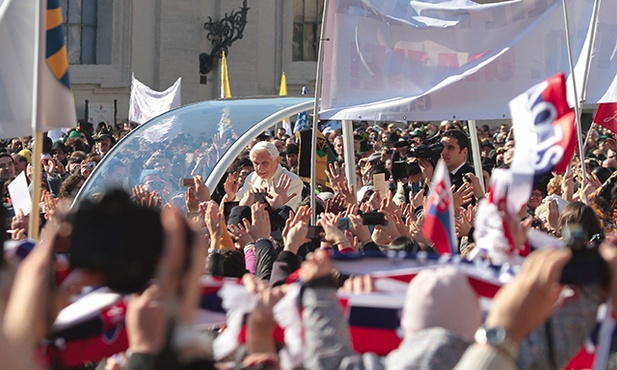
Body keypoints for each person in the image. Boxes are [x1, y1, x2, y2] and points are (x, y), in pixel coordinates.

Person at [224, 141, 304, 211]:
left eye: (264, 163)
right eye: (256, 163)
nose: (259, 168)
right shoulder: (252, 177)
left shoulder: (292, 181)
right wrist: (231, 196)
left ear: (277, 160)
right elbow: (238, 205)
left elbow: (287, 216)